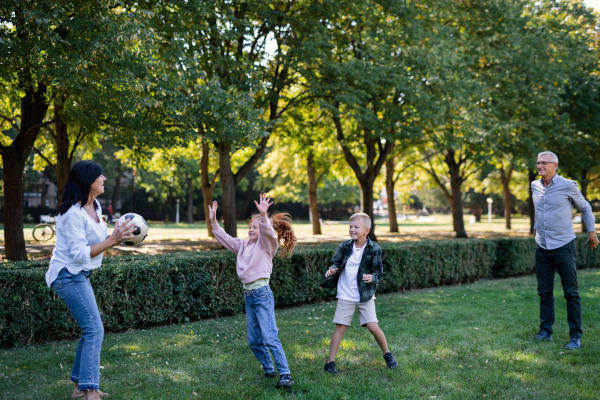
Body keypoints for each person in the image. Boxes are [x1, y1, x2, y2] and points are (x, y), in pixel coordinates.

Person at [45, 160, 136, 400]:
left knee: (90, 330)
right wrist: (112, 240)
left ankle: (78, 388)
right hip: (66, 274)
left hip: (79, 274)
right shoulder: (70, 213)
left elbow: (102, 238)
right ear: (88, 181)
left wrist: (123, 234)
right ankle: (90, 390)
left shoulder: (94, 204)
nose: (104, 178)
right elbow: (79, 253)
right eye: (100, 175)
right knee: (94, 329)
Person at [208, 194, 297, 389]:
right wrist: (214, 221)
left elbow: (269, 233)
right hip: (249, 296)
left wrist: (264, 216)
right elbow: (225, 239)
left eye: (254, 227)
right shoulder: (243, 245)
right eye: (249, 227)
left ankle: (286, 374)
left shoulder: (266, 245)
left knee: (269, 337)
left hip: (262, 295)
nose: (250, 229)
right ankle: (269, 369)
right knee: (254, 341)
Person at [531, 151, 598, 350]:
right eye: (538, 163)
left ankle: (575, 337)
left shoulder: (568, 185)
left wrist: (592, 233)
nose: (539, 166)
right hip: (542, 246)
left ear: (555, 165)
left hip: (563, 246)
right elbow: (539, 210)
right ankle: (545, 332)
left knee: (571, 292)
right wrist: (536, 230)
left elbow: (585, 208)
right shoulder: (534, 185)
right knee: (544, 292)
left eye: (543, 163)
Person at [320, 213, 397, 374]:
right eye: (350, 227)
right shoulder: (345, 246)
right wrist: (332, 269)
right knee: (340, 326)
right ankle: (330, 363)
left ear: (366, 230)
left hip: (365, 294)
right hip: (346, 294)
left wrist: (372, 277)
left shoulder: (374, 249)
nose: (352, 230)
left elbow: (379, 272)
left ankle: (387, 354)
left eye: (356, 227)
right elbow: (335, 262)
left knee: (372, 325)